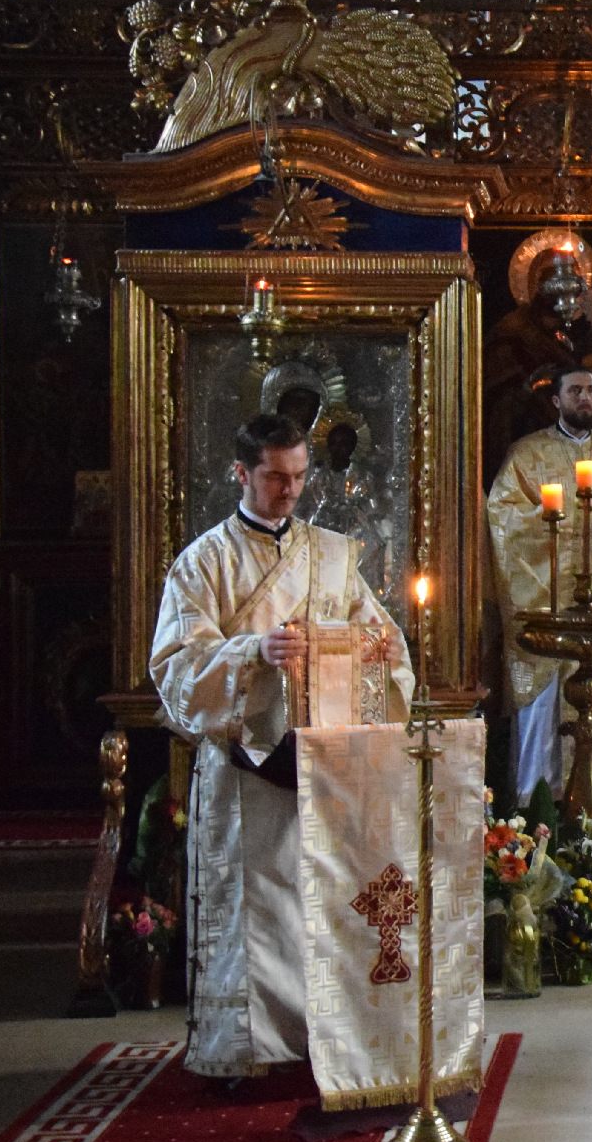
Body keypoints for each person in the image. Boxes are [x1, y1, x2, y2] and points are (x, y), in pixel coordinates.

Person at [150, 411, 413, 1082]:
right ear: (241, 473)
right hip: (245, 770)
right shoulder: (204, 562)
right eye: (274, 477)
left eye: (298, 476)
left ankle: (318, 1046)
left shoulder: (330, 553)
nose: (289, 490)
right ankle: (247, 1053)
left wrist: (372, 652)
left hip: (321, 762)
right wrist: (255, 652)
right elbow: (176, 665)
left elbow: (381, 645)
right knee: (256, 908)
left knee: (321, 900)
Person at [485, 367, 592, 809]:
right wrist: (563, 527)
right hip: (549, 601)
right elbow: (502, 518)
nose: (585, 398)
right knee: (547, 691)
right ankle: (542, 791)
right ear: (556, 401)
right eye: (576, 391)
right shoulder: (527, 455)